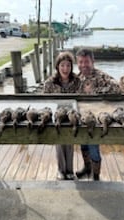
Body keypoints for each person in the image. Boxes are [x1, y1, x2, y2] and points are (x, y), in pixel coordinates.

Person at [75, 48, 122, 181]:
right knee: (83, 144)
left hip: (96, 118)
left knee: (93, 146)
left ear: (93, 61)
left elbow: (117, 89)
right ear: (77, 63)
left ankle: (96, 176)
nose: (84, 65)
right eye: (81, 62)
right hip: (82, 117)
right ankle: (87, 168)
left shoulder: (101, 76)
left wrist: (96, 90)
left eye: (87, 62)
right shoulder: (77, 78)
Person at [43, 51, 81, 180]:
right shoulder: (49, 83)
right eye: (62, 65)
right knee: (59, 142)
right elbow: (45, 102)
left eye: (68, 65)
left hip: (72, 115)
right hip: (56, 115)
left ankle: (70, 170)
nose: (65, 69)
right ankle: (61, 170)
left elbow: (81, 99)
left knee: (70, 142)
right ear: (57, 67)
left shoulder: (77, 81)